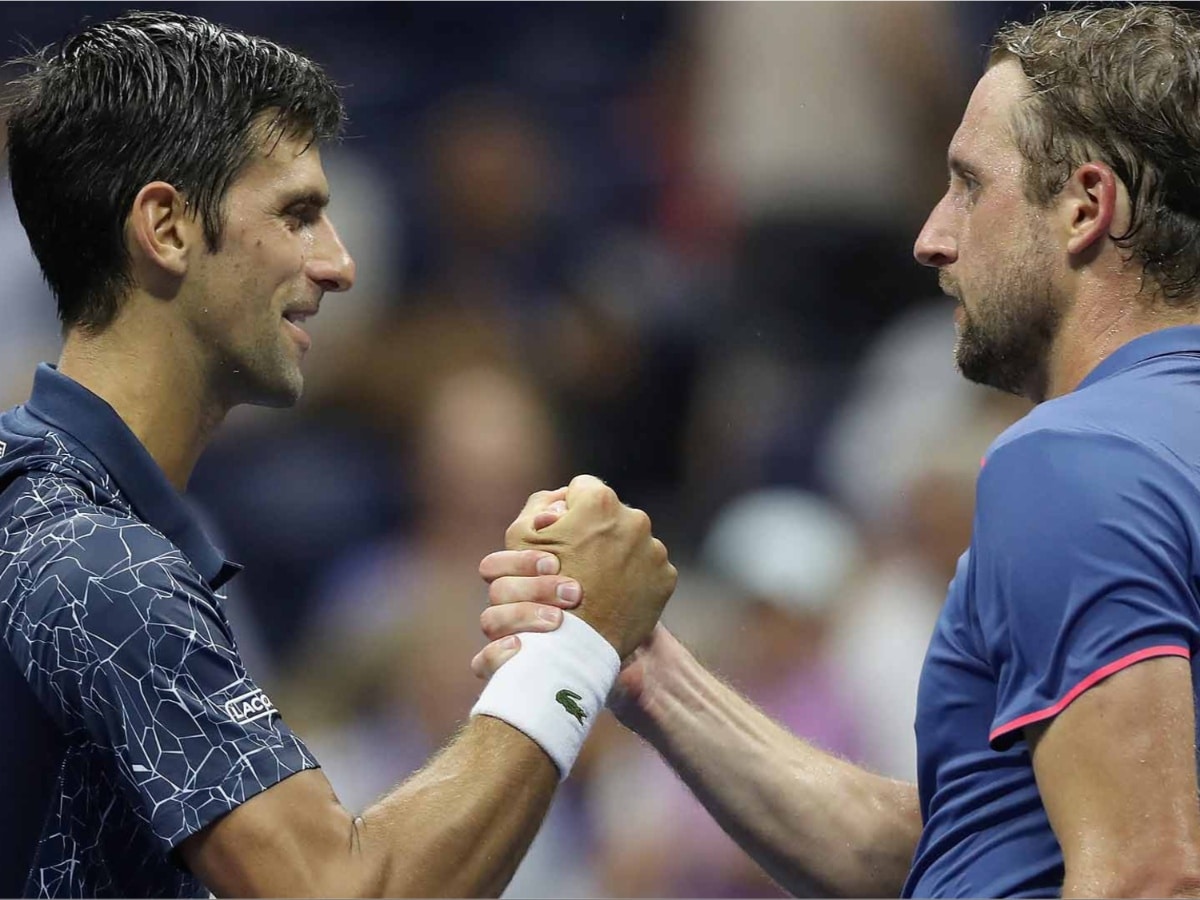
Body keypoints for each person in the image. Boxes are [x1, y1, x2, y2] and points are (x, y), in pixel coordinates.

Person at [475, 4, 1200, 897]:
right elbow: (962, 856)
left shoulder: (1071, 462)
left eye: (970, 184)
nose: (932, 235)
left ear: (1087, 206)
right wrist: (645, 667)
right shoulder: (1149, 458)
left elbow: (1150, 876)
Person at [0, 11, 676, 898]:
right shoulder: (99, 566)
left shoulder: (60, 522)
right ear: (164, 228)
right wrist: (572, 651)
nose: (341, 265)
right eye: (298, 214)